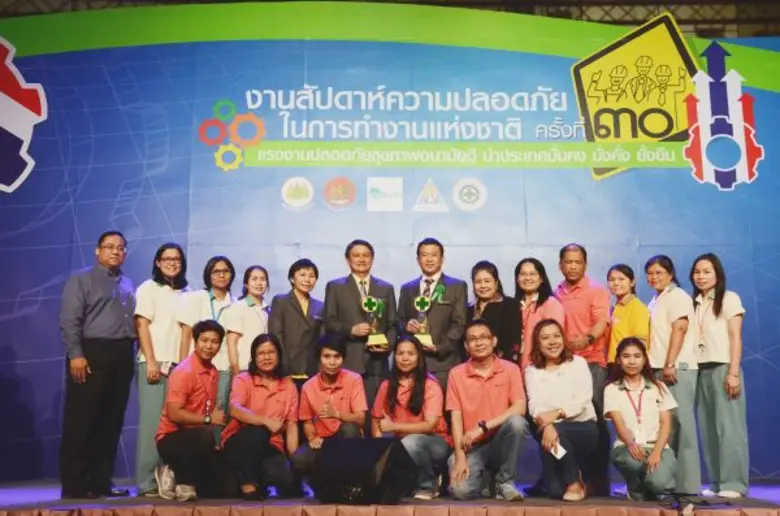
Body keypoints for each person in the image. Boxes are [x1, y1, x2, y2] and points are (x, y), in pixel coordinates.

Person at [59, 231, 136, 499]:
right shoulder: (81, 279)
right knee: (83, 420)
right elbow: (70, 320)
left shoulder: (127, 283)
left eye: (120, 247)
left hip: (122, 353)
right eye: (110, 247)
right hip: (92, 352)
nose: (115, 251)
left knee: (110, 422)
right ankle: (75, 484)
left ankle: (101, 481)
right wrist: (76, 354)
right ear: (97, 250)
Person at [447, 319, 527, 501]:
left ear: (494, 341)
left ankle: (505, 482)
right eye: (473, 339)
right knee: (460, 491)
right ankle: (487, 481)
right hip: (472, 447)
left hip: (500, 441)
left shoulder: (510, 369)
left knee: (517, 423)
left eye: (484, 337)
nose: (479, 343)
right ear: (466, 346)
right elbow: (456, 418)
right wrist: (460, 456)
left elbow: (520, 407)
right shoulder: (456, 374)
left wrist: (482, 428)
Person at [554, 243, 611, 495]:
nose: (573, 266)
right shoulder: (555, 292)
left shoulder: (596, 291)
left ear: (585, 265)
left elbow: (602, 322)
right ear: (560, 265)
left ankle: (598, 479)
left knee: (595, 421)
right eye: (568, 262)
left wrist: (587, 339)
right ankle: (566, 477)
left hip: (591, 363)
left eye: (578, 262)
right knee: (563, 422)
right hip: (563, 365)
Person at [690, 253, 749, 498]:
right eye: (697, 272)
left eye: (707, 271)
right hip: (700, 370)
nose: (701, 276)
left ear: (718, 274)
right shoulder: (694, 303)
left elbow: (736, 337)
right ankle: (717, 482)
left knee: (730, 428)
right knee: (709, 429)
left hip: (724, 368)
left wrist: (733, 373)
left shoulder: (729, 298)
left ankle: (734, 483)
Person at [155, 320, 233, 502]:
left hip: (198, 440)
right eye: (204, 340)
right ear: (195, 341)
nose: (209, 346)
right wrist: (208, 420)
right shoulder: (184, 371)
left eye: (214, 342)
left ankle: (176, 472)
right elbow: (174, 413)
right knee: (203, 436)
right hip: (171, 439)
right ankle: (183, 482)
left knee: (228, 487)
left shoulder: (213, 372)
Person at [134, 243, 189, 497]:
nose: (172, 263)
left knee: (175, 426)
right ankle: (146, 480)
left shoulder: (188, 293)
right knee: (152, 424)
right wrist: (152, 361)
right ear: (157, 262)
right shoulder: (148, 288)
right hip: (153, 363)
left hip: (178, 366)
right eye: (166, 259)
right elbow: (142, 326)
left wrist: (183, 366)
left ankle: (168, 477)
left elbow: (187, 331)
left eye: (177, 259)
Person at [323, 240, 396, 425]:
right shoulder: (335, 287)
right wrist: (351, 330)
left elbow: (392, 324)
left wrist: (388, 345)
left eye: (366, 255)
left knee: (376, 416)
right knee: (350, 419)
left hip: (377, 363)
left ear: (372, 259)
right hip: (349, 361)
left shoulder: (386, 288)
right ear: (347, 259)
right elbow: (329, 322)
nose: (361, 259)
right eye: (356, 255)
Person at [525, 319, 598, 501]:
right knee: (556, 491)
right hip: (550, 432)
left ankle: (573, 483)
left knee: (555, 436)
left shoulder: (578, 363)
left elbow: (582, 401)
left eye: (556, 336)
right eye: (545, 338)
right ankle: (575, 475)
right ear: (537, 343)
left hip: (583, 428)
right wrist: (548, 425)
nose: (552, 342)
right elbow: (535, 404)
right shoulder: (532, 371)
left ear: (563, 339)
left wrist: (556, 415)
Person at [645, 255, 701, 495]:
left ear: (670, 274)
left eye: (659, 272)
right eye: (650, 273)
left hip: (677, 368)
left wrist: (670, 363)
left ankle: (688, 485)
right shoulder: (655, 300)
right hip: (659, 368)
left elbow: (680, 329)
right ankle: (668, 482)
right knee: (667, 427)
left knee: (683, 425)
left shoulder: (677, 296)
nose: (654, 277)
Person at [371, 335, 451, 500]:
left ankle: (428, 484)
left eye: (411, 354)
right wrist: (379, 449)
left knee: (411, 442)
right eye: (400, 354)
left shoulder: (430, 385)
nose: (405, 358)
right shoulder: (386, 385)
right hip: (401, 444)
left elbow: (430, 425)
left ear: (419, 357)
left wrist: (394, 427)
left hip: (434, 442)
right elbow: (376, 419)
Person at [221, 334, 300, 500]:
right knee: (260, 431)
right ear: (254, 357)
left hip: (271, 446)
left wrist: (294, 460)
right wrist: (265, 421)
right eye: (261, 353)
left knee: (285, 478)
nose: (267, 357)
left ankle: (253, 479)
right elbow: (235, 409)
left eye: (271, 352)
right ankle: (248, 485)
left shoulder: (288, 386)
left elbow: (292, 425)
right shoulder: (243, 379)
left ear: (279, 355)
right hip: (240, 442)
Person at [605, 338, 677, 501]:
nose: (632, 361)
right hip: (627, 447)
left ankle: (652, 486)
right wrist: (631, 444)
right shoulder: (612, 389)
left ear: (644, 360)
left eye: (637, 356)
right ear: (618, 360)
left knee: (658, 483)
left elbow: (666, 423)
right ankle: (635, 488)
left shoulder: (658, 387)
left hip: (656, 447)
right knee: (633, 463)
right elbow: (618, 422)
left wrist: (657, 452)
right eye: (626, 356)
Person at [291, 333, 368, 479]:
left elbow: (361, 419)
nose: (332, 362)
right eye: (326, 356)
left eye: (337, 356)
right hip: (322, 441)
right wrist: (312, 438)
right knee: (298, 460)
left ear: (343, 358)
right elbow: (307, 422)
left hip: (345, 439)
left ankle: (348, 481)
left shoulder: (354, 380)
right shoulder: (308, 386)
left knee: (350, 428)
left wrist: (337, 414)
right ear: (319, 359)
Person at [398, 237, 468, 390]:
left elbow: (459, 323)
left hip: (443, 364)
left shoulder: (456, 286)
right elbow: (399, 320)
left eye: (434, 255)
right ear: (418, 259)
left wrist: (440, 348)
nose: (429, 259)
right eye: (424, 255)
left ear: (442, 259)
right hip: (413, 365)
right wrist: (406, 326)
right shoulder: (407, 288)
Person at [177, 256, 235, 430]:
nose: (221, 275)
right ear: (208, 275)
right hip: (196, 367)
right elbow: (186, 334)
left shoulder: (236, 303)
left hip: (222, 367)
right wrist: (182, 366)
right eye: (216, 271)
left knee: (218, 413)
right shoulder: (195, 298)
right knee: (193, 412)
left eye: (225, 271)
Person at [269, 259, 324, 389]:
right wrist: (283, 367)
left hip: (312, 370)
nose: (307, 280)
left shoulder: (320, 306)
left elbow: (321, 339)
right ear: (292, 279)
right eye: (302, 275)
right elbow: (276, 336)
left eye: (312, 276)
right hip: (287, 368)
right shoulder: (281, 301)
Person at [466, 260, 521, 363]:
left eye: (487, 281)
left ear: (496, 283)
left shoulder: (510, 305)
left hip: (502, 365)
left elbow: (513, 341)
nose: (483, 286)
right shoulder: (468, 309)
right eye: (478, 282)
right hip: (470, 366)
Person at [515, 257, 565, 369]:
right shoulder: (513, 305)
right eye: (523, 274)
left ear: (541, 278)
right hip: (516, 367)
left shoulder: (552, 304)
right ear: (517, 279)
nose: (527, 278)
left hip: (540, 367)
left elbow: (555, 342)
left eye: (532, 274)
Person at [224, 265, 270, 375]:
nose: (259, 283)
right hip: (244, 370)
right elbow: (231, 342)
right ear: (246, 283)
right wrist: (236, 372)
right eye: (254, 279)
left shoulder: (268, 309)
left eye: (263, 279)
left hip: (264, 369)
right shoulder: (239, 307)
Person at [607, 264, 650, 366]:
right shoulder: (615, 307)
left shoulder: (637, 307)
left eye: (621, 279)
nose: (616, 283)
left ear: (632, 282)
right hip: (613, 362)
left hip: (627, 365)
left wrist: (631, 365)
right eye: (612, 280)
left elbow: (640, 342)